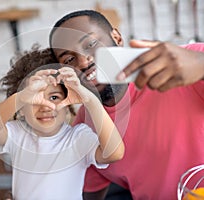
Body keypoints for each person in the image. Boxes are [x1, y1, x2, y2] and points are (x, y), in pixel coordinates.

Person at [49, 10, 204, 200]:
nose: (83, 61)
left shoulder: (185, 63)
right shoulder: (84, 128)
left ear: (116, 37)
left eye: (91, 44)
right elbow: (87, 193)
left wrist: (200, 63)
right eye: (69, 59)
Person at [0, 47, 125, 200]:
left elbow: (114, 153)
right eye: (34, 99)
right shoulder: (18, 134)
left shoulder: (77, 138)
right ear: (21, 110)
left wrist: (91, 100)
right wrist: (21, 97)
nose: (46, 106)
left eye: (54, 97)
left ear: (68, 103)